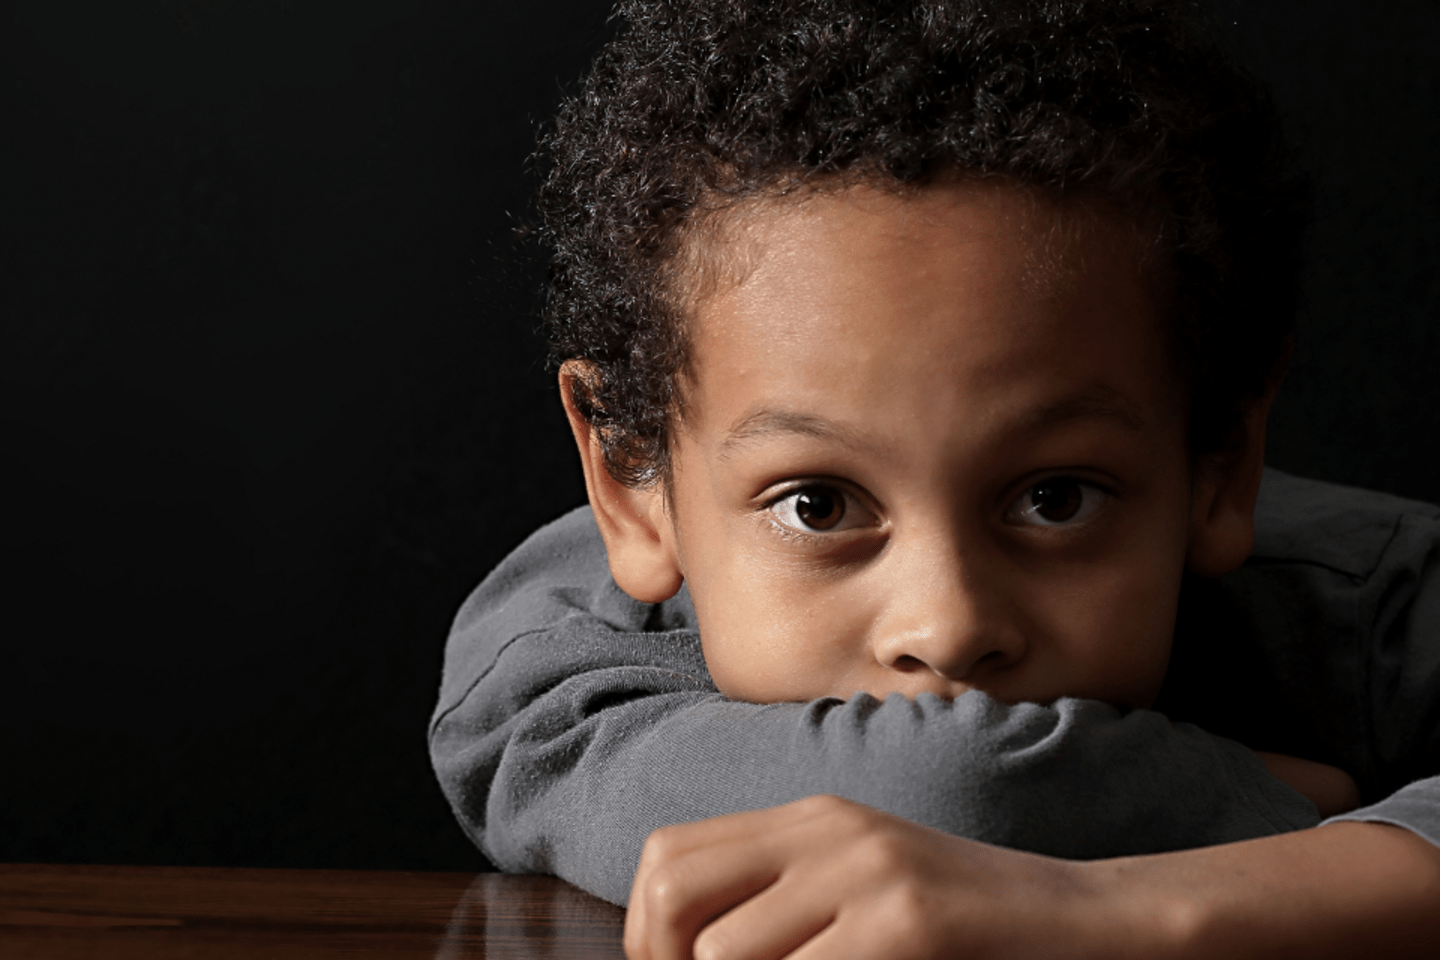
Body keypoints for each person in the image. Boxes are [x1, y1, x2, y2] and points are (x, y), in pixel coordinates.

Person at [429, 1, 1440, 956]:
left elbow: (963, 793)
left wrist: (1117, 910)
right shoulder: (561, 649)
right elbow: (962, 789)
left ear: (1220, 465)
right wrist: (1251, 811)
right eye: (818, 506)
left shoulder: (1371, 598)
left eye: (1055, 499)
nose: (948, 625)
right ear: (631, 482)